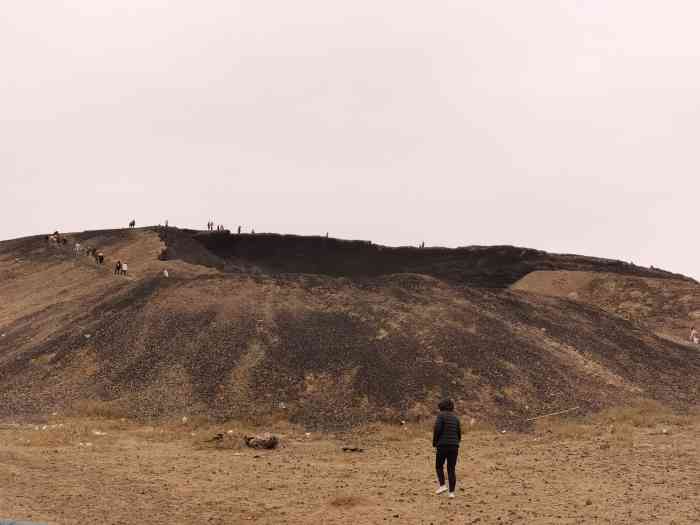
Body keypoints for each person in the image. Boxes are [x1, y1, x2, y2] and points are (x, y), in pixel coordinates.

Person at [433, 399, 461, 498]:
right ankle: (452, 493)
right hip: (454, 446)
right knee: (451, 469)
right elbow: (459, 433)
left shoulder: (441, 416)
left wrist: (435, 443)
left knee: (439, 466)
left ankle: (442, 485)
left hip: (442, 445)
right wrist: (456, 443)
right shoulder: (456, 418)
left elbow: (437, 429)